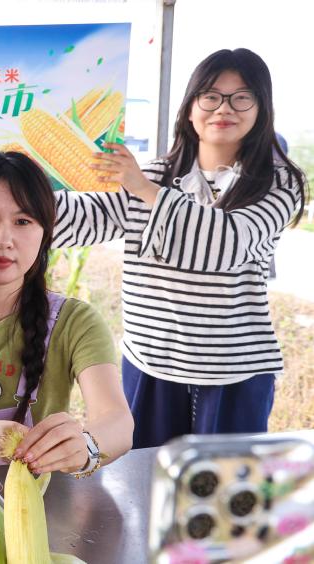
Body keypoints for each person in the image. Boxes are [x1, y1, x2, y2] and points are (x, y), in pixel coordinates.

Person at [53, 48, 309, 448]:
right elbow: (87, 218)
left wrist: (144, 189)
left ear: (262, 109)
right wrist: (22, 195)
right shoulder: (153, 175)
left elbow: (225, 245)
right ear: (190, 108)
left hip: (233, 373)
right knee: (143, 477)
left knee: (222, 484)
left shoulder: (278, 183)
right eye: (210, 96)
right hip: (150, 364)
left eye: (242, 97)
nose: (223, 108)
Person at [0, 151, 133, 476]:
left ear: (45, 234)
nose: (3, 240)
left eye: (23, 221)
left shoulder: (76, 322)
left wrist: (86, 446)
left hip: (41, 497)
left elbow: (117, 422)